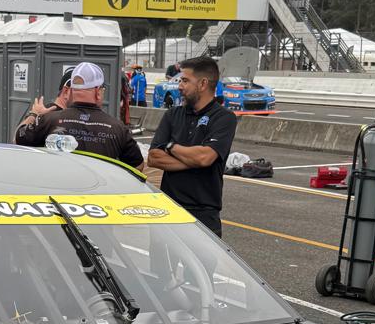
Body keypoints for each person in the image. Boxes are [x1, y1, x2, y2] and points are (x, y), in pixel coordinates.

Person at [146, 57, 237, 235]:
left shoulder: (224, 118)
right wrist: (193, 160)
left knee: (204, 257)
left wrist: (171, 146)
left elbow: (204, 157)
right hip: (169, 208)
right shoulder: (172, 114)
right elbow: (153, 158)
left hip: (204, 214)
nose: (180, 86)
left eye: (185, 81)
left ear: (203, 84)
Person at [32, 62, 144, 169]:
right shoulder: (117, 128)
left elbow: (21, 144)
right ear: (98, 92)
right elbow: (138, 166)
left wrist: (33, 115)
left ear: (71, 91)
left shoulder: (48, 120)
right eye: (103, 89)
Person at [15, 67, 75, 145]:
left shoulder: (72, 114)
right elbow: (16, 140)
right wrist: (33, 115)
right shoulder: (47, 113)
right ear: (66, 91)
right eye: (78, 90)